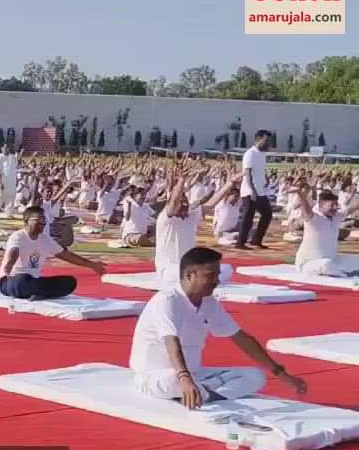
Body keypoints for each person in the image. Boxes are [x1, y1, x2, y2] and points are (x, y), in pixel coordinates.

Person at [129, 247, 307, 407]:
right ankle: (203, 392)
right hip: (156, 377)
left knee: (255, 376)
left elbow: (241, 338)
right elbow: (171, 341)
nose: (216, 281)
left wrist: (281, 374)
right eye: (210, 275)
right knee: (171, 381)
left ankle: (205, 395)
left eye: (217, 275)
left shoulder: (208, 302)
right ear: (189, 274)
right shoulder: (167, 300)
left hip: (196, 374)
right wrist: (184, 378)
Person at [0, 205, 106, 300]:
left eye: (44, 220)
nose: (43, 223)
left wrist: (92, 265)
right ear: (27, 220)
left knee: (70, 282)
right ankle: (40, 292)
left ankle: (39, 293)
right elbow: (14, 251)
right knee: (23, 280)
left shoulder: (45, 239)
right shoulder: (18, 236)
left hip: (34, 281)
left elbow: (67, 255)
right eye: (38, 219)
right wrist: (9, 264)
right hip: (11, 281)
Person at [290, 184, 359, 277]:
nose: (335, 208)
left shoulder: (336, 216)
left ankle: (340, 272)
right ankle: (344, 276)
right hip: (308, 263)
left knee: (356, 261)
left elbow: (352, 208)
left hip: (332, 260)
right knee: (326, 265)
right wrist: (300, 193)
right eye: (331, 205)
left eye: (336, 205)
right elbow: (306, 209)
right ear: (321, 205)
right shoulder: (314, 218)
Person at [235, 130, 273, 250]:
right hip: (249, 191)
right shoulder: (250, 154)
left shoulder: (262, 155)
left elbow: (261, 170)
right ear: (258, 139)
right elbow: (248, 173)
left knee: (267, 214)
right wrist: (252, 191)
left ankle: (256, 239)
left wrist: (266, 178)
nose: (268, 143)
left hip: (260, 190)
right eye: (266, 140)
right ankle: (240, 242)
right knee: (248, 217)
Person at [0, 144, 21, 216]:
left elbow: (17, 167)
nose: (7, 149)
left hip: (11, 182)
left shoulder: (12, 157)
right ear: (1, 148)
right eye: (5, 147)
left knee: (11, 198)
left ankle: (8, 214)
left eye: (8, 147)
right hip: (3, 182)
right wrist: (0, 183)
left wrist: (16, 180)